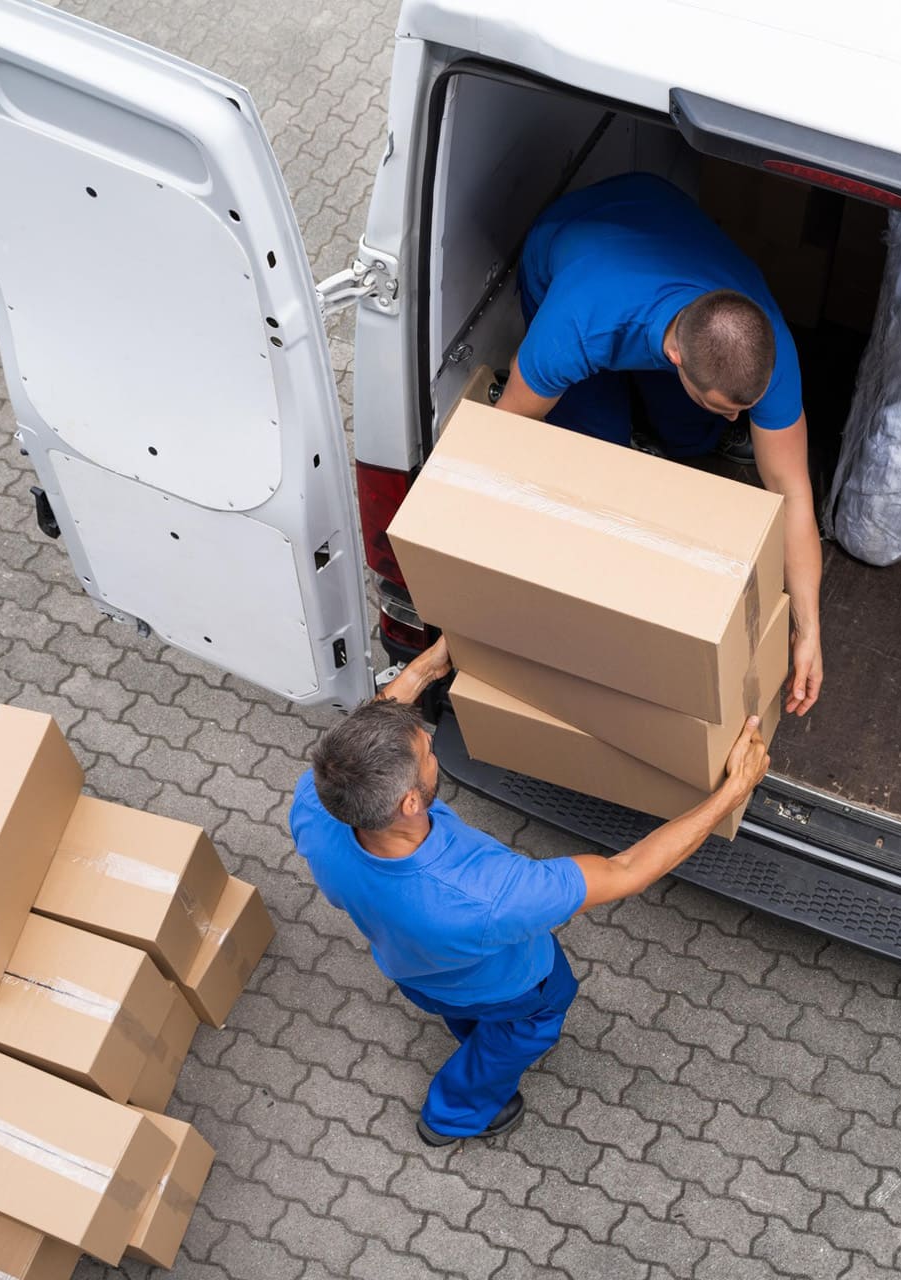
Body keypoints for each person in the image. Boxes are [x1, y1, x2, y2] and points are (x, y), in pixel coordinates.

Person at [288, 637, 769, 1145]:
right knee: (522, 1030)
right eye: (429, 752)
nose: (432, 744)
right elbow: (628, 869)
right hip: (513, 985)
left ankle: (475, 1035)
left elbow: (364, 739)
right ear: (410, 802)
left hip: (414, 968)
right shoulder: (487, 895)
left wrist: (428, 666)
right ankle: (452, 1115)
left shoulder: (320, 802)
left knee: (466, 1012)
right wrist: (734, 791)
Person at [495, 170, 824, 715]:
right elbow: (506, 434)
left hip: (655, 205)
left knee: (692, 433)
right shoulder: (577, 326)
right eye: (732, 406)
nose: (749, 416)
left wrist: (808, 626)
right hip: (574, 242)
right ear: (676, 360)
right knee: (596, 446)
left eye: (750, 405)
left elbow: (791, 491)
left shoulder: (767, 345)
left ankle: (678, 420)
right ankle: (615, 423)